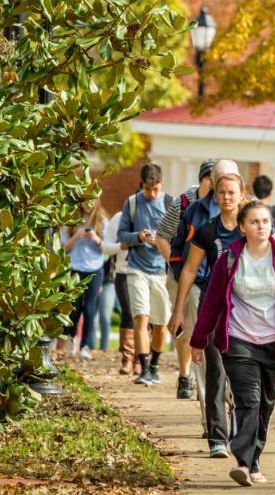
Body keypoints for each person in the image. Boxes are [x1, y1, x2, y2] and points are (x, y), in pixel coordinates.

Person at [190, 199, 275, 487]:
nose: (261, 226)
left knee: (266, 405)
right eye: (254, 222)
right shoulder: (229, 258)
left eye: (265, 221)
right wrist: (198, 339)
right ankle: (243, 462)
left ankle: (255, 457)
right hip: (239, 341)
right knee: (249, 401)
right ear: (242, 227)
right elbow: (212, 303)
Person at [169, 171, 246, 458]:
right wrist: (178, 310)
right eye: (221, 192)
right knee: (215, 373)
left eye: (232, 192)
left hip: (246, 314)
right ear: (215, 194)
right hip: (213, 311)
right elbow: (189, 270)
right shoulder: (207, 230)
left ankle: (241, 434)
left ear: (242, 195)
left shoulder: (250, 228)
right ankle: (217, 437)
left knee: (242, 376)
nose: (226, 197)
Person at [154, 158, 223, 399]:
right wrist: (175, 263)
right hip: (182, 275)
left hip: (210, 277)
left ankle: (208, 381)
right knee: (185, 328)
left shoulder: (224, 205)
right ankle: (185, 375)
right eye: (214, 182)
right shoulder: (184, 204)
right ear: (204, 180)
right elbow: (161, 236)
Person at [118, 163, 174, 386]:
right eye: (148, 189)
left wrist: (160, 241)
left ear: (162, 184)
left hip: (161, 271)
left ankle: (154, 365)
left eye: (156, 189)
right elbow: (121, 236)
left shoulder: (170, 204)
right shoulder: (132, 204)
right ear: (141, 185)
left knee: (161, 324)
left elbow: (177, 237)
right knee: (141, 317)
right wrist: (138, 237)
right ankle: (142, 366)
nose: (152, 194)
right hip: (136, 268)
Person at [62, 199, 107, 360]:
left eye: (92, 200)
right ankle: (71, 338)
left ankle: (84, 346)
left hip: (95, 269)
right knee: (74, 309)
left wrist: (95, 238)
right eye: (85, 201)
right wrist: (77, 236)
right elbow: (62, 249)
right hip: (74, 268)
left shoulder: (102, 221)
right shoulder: (70, 221)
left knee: (89, 309)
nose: (88, 204)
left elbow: (107, 248)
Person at [101, 210, 138, 375]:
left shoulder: (156, 214)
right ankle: (127, 359)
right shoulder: (118, 218)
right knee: (129, 312)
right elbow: (105, 246)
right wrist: (120, 246)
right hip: (123, 272)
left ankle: (141, 359)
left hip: (149, 272)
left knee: (145, 316)